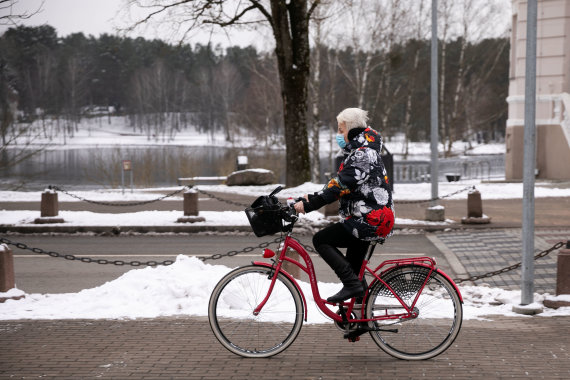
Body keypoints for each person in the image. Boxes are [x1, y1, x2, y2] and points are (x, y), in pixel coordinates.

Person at [294, 107, 394, 303]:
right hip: (370, 217)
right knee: (355, 274)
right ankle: (361, 319)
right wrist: (312, 197)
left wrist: (309, 205)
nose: (338, 135)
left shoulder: (363, 155)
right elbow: (343, 185)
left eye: (341, 130)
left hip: (369, 219)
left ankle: (351, 285)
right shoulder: (362, 152)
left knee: (321, 240)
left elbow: (339, 186)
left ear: (353, 131)